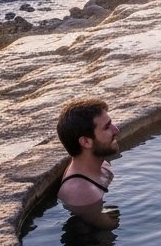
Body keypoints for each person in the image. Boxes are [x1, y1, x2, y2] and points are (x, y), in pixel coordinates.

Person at [56, 98, 121, 230]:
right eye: (107, 127)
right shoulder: (81, 192)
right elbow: (111, 225)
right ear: (86, 142)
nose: (116, 130)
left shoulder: (101, 166)